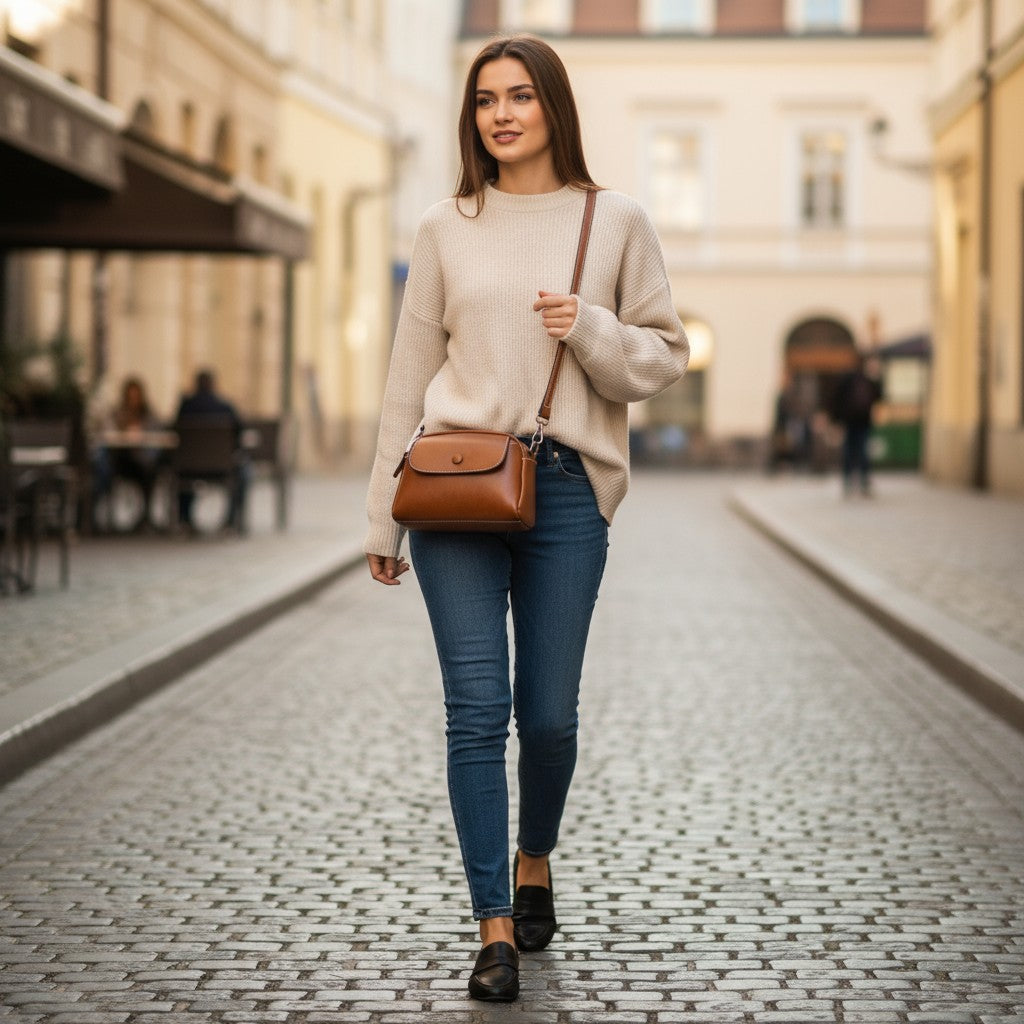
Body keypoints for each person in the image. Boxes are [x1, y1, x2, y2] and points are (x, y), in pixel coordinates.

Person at [364, 35, 689, 1003]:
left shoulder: (614, 220)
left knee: (546, 718)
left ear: (553, 106)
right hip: (454, 488)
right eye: (484, 100)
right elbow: (404, 381)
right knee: (476, 714)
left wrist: (586, 326)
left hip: (562, 494)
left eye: (519, 97)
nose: (501, 114)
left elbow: (664, 354)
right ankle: (492, 926)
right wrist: (381, 518)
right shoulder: (443, 224)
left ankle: (534, 853)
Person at [174, 369, 248, 532]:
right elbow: (240, 433)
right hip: (222, 468)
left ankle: (184, 518)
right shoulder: (225, 407)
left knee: (176, 467)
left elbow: (175, 431)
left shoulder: (186, 406)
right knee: (244, 472)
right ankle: (231, 521)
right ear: (214, 385)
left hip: (188, 469)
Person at [91, 376, 165, 531]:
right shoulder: (117, 413)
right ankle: (105, 518)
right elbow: (107, 432)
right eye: (130, 396)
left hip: (143, 459)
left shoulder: (148, 414)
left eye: (136, 396)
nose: (133, 400)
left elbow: (158, 430)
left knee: (150, 469)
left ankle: (146, 516)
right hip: (124, 460)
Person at [832, 353, 883, 496]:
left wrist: (836, 420)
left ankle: (849, 482)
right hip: (862, 422)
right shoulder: (867, 379)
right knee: (861, 451)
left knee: (850, 451)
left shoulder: (848, 379)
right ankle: (863, 482)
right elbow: (879, 397)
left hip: (851, 421)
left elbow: (837, 400)